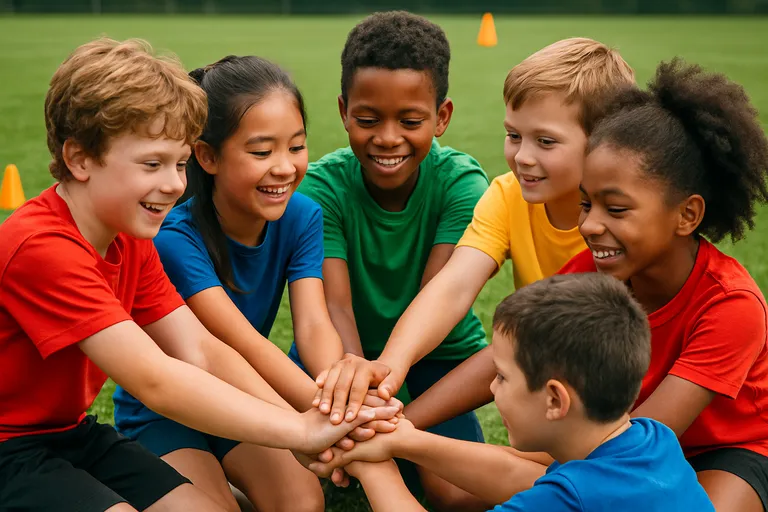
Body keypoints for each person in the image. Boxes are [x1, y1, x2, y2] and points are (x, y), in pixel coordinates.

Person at [0, 38, 399, 512]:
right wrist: (301, 429)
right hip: (9, 448)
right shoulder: (42, 246)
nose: (174, 185)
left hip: (72, 433)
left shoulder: (130, 238)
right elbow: (155, 380)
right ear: (79, 158)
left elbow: (202, 350)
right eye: (153, 164)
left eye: (180, 164)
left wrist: (317, 417)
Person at [295, 10, 491, 511]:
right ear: (343, 111)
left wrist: (381, 405)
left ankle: (385, 435)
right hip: (343, 356)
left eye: (410, 121)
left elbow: (437, 300)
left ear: (441, 117)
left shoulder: (461, 185)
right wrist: (357, 387)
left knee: (452, 492)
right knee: (297, 473)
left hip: (438, 358)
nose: (387, 138)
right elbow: (334, 306)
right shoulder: (322, 188)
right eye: (367, 119)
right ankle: (372, 434)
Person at [306, 274, 714, 512]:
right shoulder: (649, 439)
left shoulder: (569, 499)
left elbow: (541, 489)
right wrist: (400, 441)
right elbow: (514, 472)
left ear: (555, 400)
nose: (490, 388)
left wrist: (375, 469)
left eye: (502, 377)